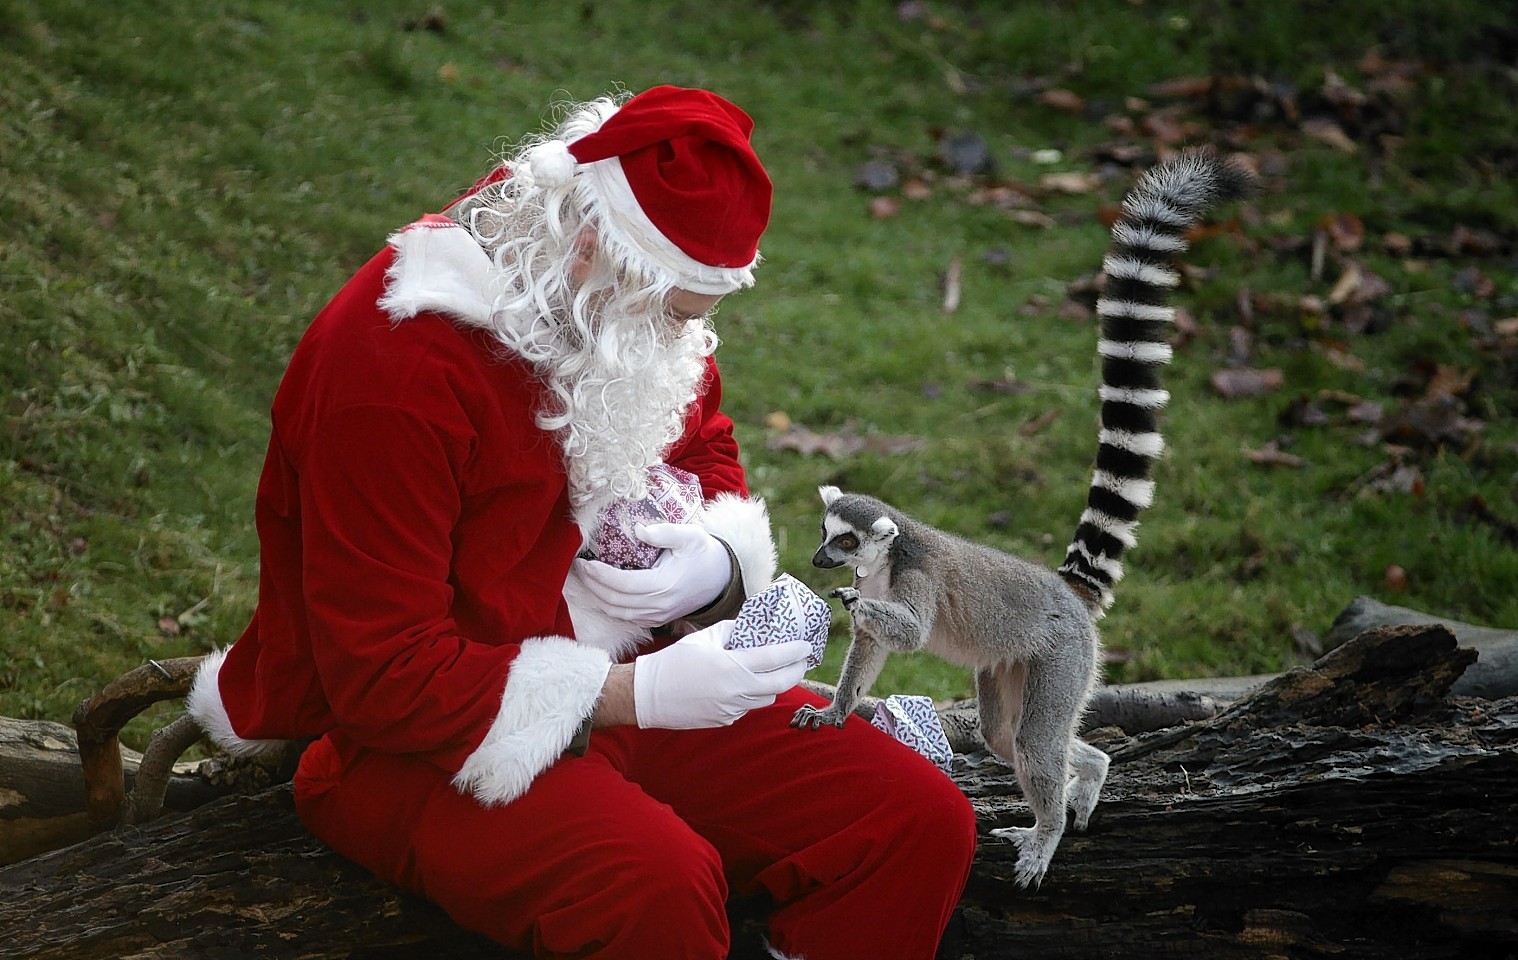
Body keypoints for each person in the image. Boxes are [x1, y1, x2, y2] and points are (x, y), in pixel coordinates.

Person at [187, 84, 977, 959]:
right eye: (676, 314)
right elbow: (380, 678)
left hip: (630, 673)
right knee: (651, 890)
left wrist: (717, 558)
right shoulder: (395, 371)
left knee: (916, 821)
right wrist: (635, 697)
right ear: (595, 248)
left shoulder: (613, 312)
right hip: (419, 743)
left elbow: (702, 437)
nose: (686, 340)